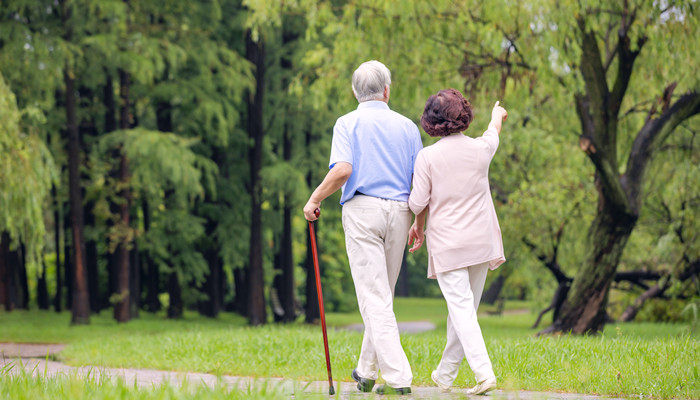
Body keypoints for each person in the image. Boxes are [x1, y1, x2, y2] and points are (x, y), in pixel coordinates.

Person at [303, 60, 423, 395]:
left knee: (374, 297)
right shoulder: (408, 127)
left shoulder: (347, 123)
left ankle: (399, 377)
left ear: (356, 92)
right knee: (382, 295)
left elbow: (343, 170)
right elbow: (419, 181)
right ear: (387, 90)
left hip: (362, 210)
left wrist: (314, 199)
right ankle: (367, 372)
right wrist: (419, 220)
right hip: (400, 212)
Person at [407, 88, 507, 395]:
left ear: (431, 120)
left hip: (449, 244)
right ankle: (446, 374)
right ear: (462, 115)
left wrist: (417, 221)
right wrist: (496, 115)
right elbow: (493, 133)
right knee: (464, 311)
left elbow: (417, 202)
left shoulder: (428, 157)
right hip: (481, 242)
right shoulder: (480, 149)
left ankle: (484, 373)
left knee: (462, 311)